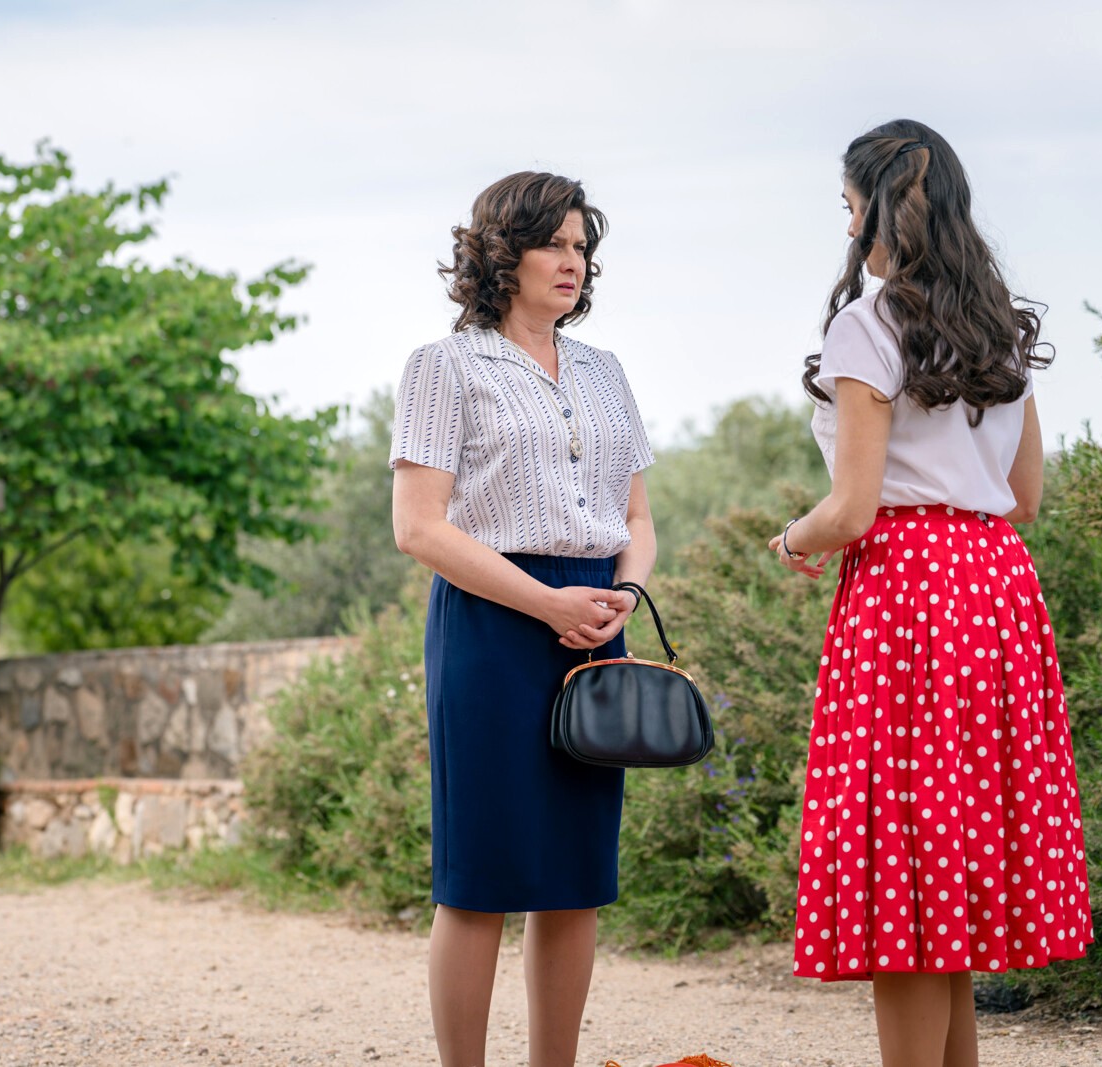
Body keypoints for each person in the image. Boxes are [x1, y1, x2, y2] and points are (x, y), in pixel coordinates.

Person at [769, 119, 1093, 1067]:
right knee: (947, 861)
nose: (847, 227)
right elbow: (1026, 497)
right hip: (996, 593)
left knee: (905, 866)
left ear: (876, 206)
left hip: (910, 597)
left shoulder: (867, 324)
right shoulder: (997, 324)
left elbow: (854, 507)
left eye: (847, 205)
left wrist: (794, 538)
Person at [391, 171, 656, 1066]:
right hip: (494, 625)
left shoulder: (605, 370)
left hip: (596, 622)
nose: (573, 262)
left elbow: (640, 520)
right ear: (503, 252)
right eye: (556, 243)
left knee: (574, 878)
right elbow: (419, 526)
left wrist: (623, 592)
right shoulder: (445, 365)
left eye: (582, 246)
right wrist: (544, 600)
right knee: (480, 878)